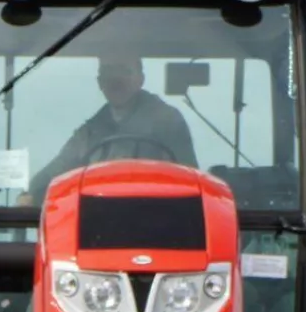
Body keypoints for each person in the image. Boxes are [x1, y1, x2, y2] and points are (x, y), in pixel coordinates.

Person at [23, 51, 198, 204]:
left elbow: (190, 181)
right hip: (96, 224)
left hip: (156, 225)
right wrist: (31, 194)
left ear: (140, 79)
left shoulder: (167, 121)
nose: (116, 80)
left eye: (123, 71)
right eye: (108, 72)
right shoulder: (90, 132)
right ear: (100, 82)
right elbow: (56, 170)